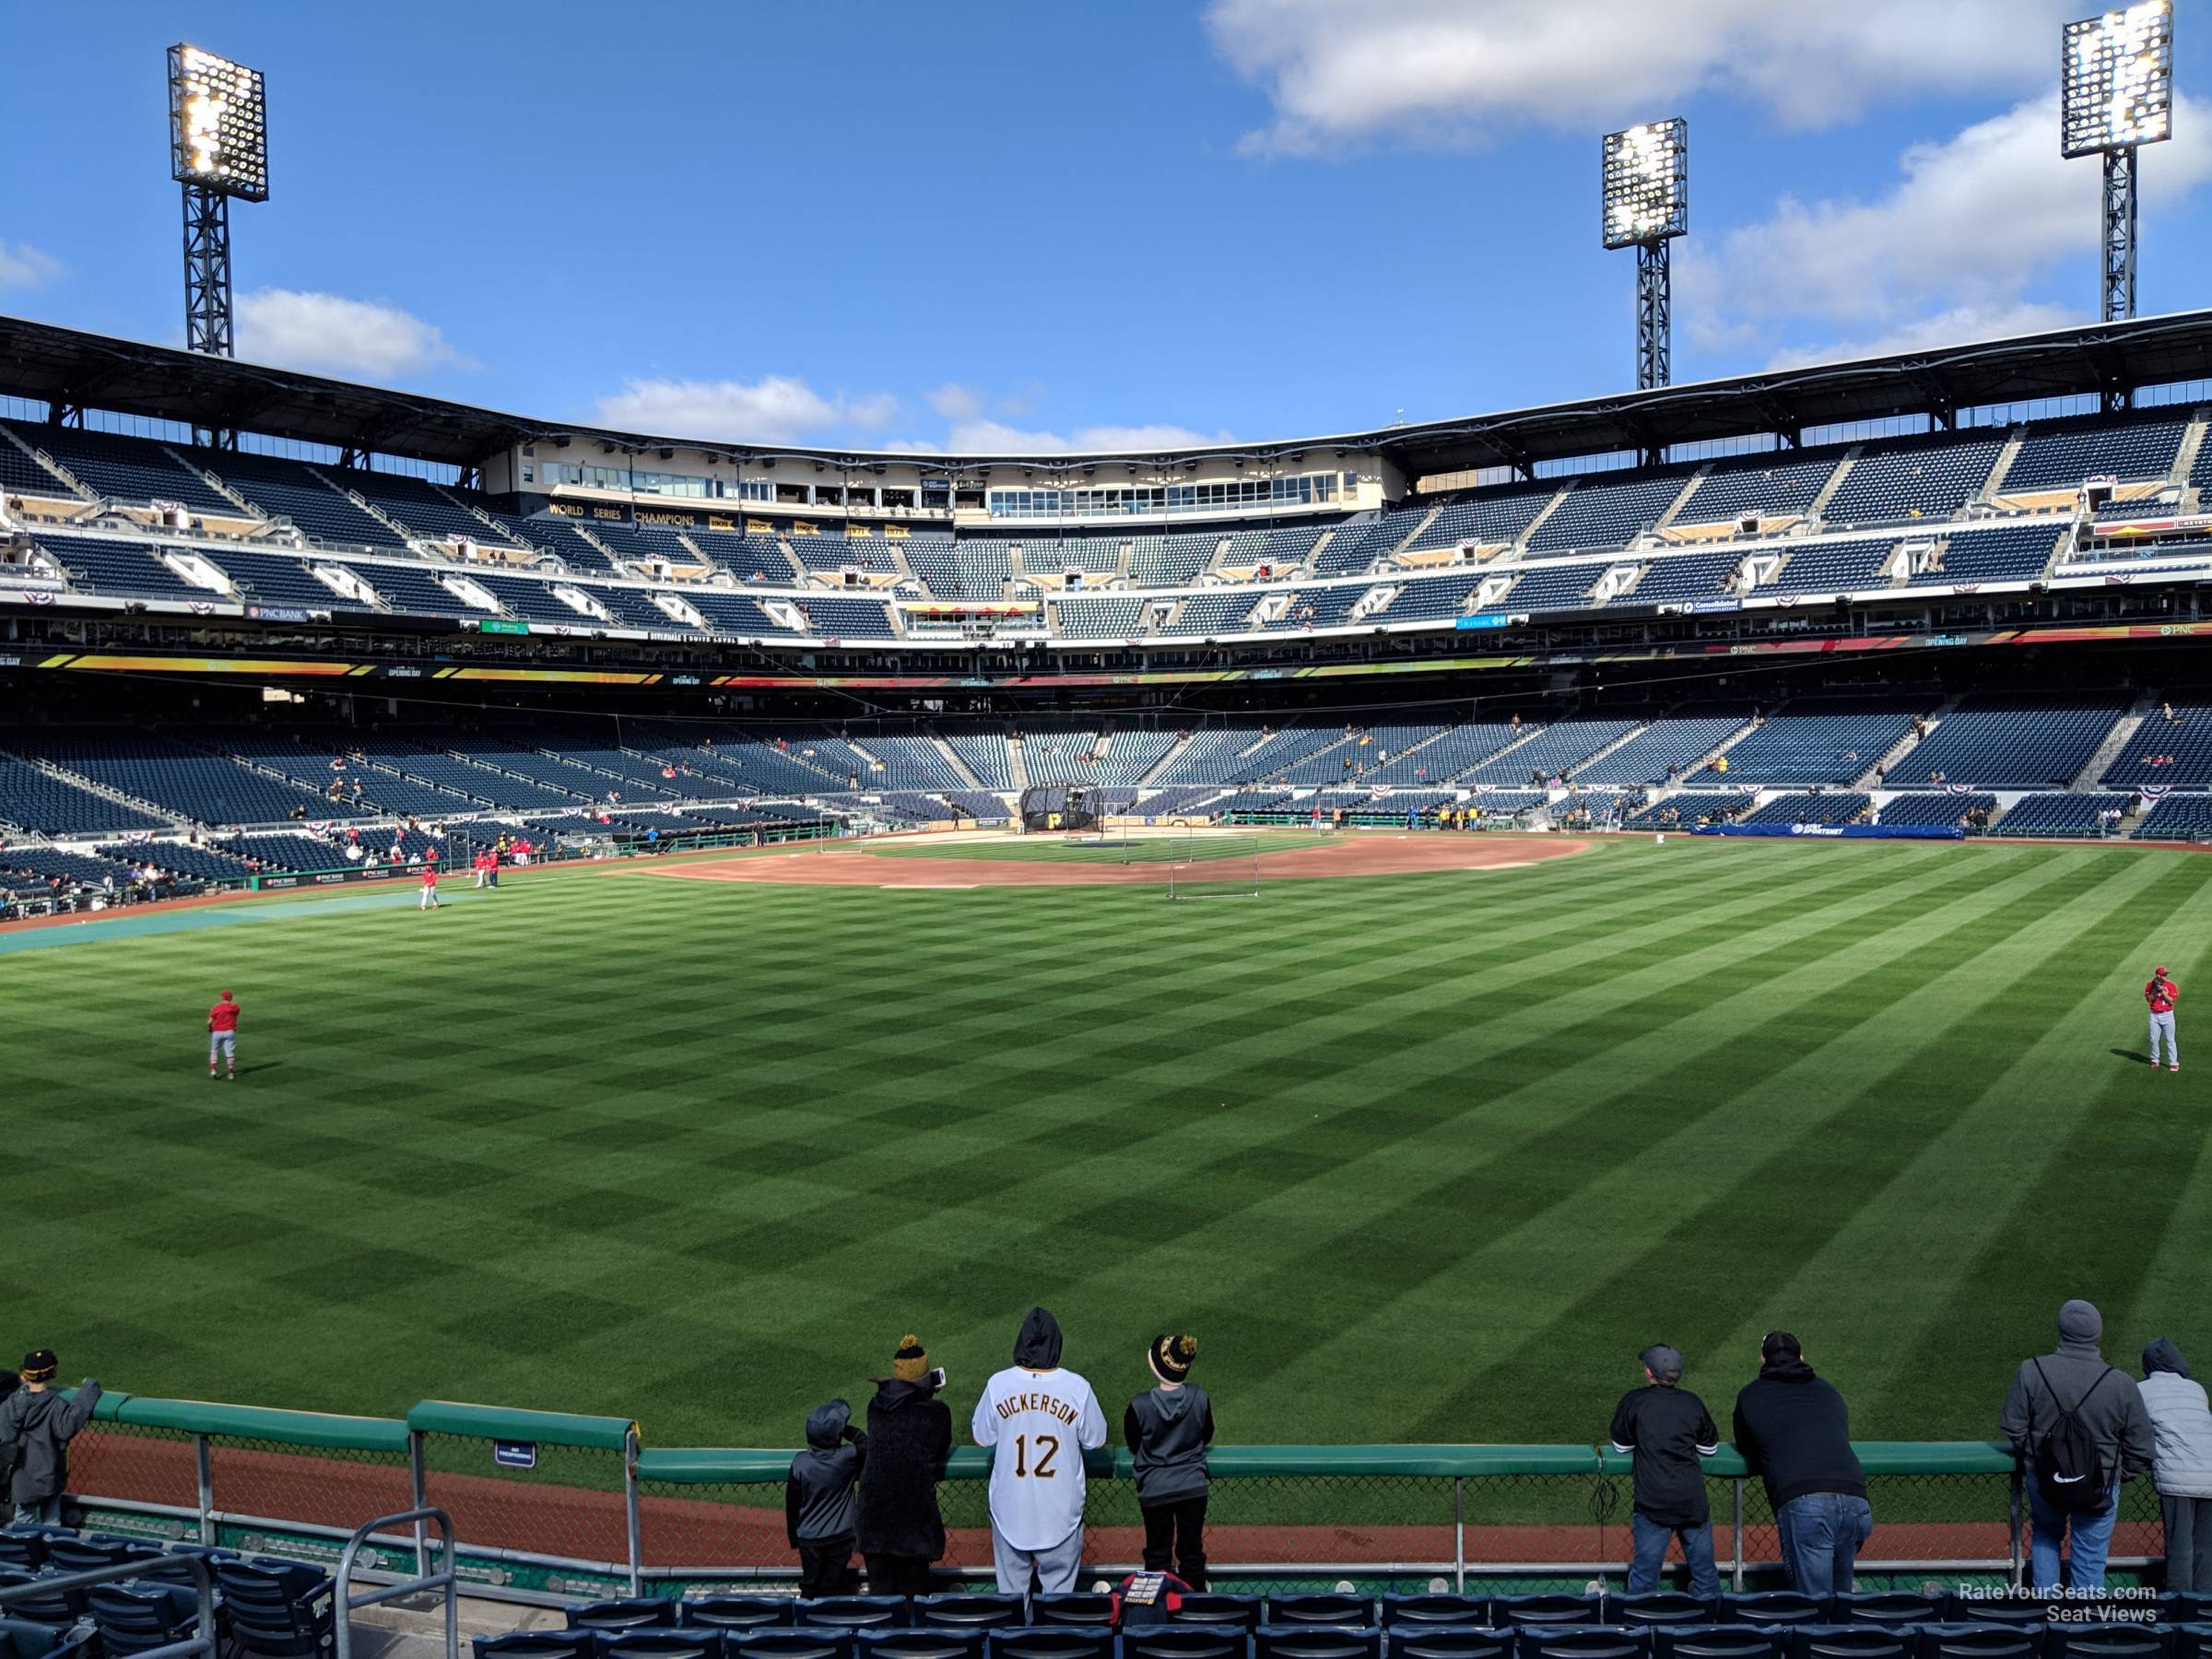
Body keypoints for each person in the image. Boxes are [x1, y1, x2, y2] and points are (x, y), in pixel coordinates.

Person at [2000, 1299, 2155, 1592]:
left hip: (2045, 1478)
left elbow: (2013, 1425)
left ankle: (2048, 1615)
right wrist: (2117, 1474)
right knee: (2091, 1556)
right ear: (2097, 1333)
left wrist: (2036, 1458)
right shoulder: (2121, 1384)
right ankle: (2083, 1625)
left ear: (2061, 1330)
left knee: (2046, 1534)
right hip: (2101, 1484)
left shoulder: (2032, 1371)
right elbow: (2142, 1447)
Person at [973, 1307, 1107, 1596]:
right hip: (1061, 1513)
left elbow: (982, 1437)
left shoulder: (998, 1384)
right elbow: (1096, 1440)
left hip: (1010, 1511)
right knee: (1057, 1606)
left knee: (1013, 1603)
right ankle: (1052, 1641)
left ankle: (1013, 1641)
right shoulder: (1077, 1387)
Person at [1731, 1332, 1871, 1594]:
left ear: (1763, 1359)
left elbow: (1747, 1446)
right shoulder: (1828, 1390)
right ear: (1802, 1356)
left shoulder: (1751, 1395)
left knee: (1813, 1605)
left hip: (1806, 1503)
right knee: (1841, 1600)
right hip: (1856, 1500)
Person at [1608, 1343, 1722, 1596]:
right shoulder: (1692, 1402)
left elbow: (1621, 1446)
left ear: (1649, 1373)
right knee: (1705, 1575)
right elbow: (1709, 1449)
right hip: (1691, 1500)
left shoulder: (1635, 1401)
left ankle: (1639, 1631)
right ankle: (1713, 1627)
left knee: (1645, 1577)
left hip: (1653, 1502)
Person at [855, 1335, 950, 1596]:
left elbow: (894, 1402)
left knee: (881, 1602)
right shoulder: (937, 1413)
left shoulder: (875, 1406)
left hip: (873, 1517)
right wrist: (928, 1396)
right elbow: (938, 1446)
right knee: (914, 1602)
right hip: (913, 1521)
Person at [1125, 1334, 1213, 1588]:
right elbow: (1206, 1435)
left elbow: (1134, 1444)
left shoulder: (1138, 1405)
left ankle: (1158, 1614)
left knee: (1156, 1555)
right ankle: (1195, 1610)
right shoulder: (1199, 1397)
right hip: (1192, 1487)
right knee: (1191, 1553)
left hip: (1154, 1489)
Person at [2140, 1339, 2212, 1592]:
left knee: (2180, 1546)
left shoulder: (2141, 1390)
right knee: (2206, 1547)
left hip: (2177, 1477)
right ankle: (2204, 1609)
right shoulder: (2196, 1388)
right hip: (2210, 1474)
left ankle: (2179, 1609)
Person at [0, 1350, 101, 1524]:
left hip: (20, 1478)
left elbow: (5, 1435)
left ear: (25, 1375)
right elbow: (68, 1426)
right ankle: (49, 1551)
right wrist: (90, 1389)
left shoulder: (9, 1405)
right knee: (52, 1522)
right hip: (50, 1475)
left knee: (23, 1522)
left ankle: (26, 1551)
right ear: (53, 1373)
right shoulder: (57, 1405)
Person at [786, 1398, 867, 1597]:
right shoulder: (847, 1457)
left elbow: (792, 1505)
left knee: (811, 1585)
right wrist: (848, 1431)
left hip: (809, 1539)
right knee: (834, 1586)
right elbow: (866, 1444)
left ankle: (807, 1620)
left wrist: (794, 1537)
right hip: (841, 1536)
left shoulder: (800, 1462)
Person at [2147, 966, 2180, 1072]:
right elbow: (2148, 999)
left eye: (2166, 974)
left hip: (2168, 1015)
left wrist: (2163, 992)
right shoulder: (2150, 985)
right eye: (2164, 975)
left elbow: (2171, 1001)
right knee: (2153, 1040)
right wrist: (2155, 991)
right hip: (2154, 1015)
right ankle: (2155, 1060)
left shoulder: (2171, 985)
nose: (2166, 976)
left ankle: (2174, 1063)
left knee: (2170, 1040)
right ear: (2158, 975)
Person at [207, 989, 241, 1081]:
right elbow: (235, 1014)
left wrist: (210, 1028)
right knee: (229, 1052)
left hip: (217, 1032)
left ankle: (213, 1070)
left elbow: (209, 1022)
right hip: (230, 1031)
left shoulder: (216, 1007)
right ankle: (230, 1073)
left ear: (222, 997)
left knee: (214, 1051)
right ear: (231, 997)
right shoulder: (236, 1007)